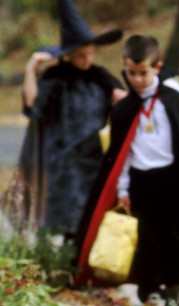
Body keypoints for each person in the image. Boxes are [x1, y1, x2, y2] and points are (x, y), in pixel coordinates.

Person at [75, 34, 179, 306]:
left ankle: (174, 289)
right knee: (145, 239)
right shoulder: (124, 109)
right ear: (124, 68)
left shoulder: (173, 101)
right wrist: (123, 189)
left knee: (176, 238)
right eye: (131, 73)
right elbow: (122, 155)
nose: (137, 79)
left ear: (157, 67)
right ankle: (149, 292)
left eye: (143, 73)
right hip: (141, 183)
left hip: (173, 181)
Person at [17, 0, 124, 240]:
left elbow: (122, 101)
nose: (87, 60)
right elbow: (31, 103)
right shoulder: (55, 78)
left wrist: (120, 100)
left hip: (93, 159)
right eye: (81, 56)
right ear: (68, 55)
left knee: (91, 217)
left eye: (90, 54)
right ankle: (59, 258)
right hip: (62, 160)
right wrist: (31, 68)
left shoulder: (100, 77)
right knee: (62, 220)